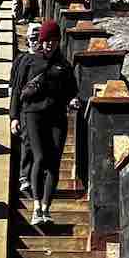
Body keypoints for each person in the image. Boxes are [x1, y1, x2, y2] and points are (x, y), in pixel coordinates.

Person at [18, 19, 78, 226]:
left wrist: (73, 100)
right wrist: (14, 117)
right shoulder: (30, 61)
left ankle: (46, 208)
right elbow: (18, 91)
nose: (49, 44)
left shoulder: (64, 65)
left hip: (57, 116)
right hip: (33, 114)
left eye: (53, 40)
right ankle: (35, 207)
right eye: (46, 40)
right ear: (40, 41)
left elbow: (72, 90)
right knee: (40, 157)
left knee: (54, 162)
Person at [10, 22, 41, 193]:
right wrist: (13, 116)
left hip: (43, 110)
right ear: (27, 39)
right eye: (33, 38)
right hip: (25, 109)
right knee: (27, 141)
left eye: (39, 38)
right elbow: (14, 88)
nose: (36, 41)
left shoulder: (48, 60)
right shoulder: (21, 60)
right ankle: (24, 175)